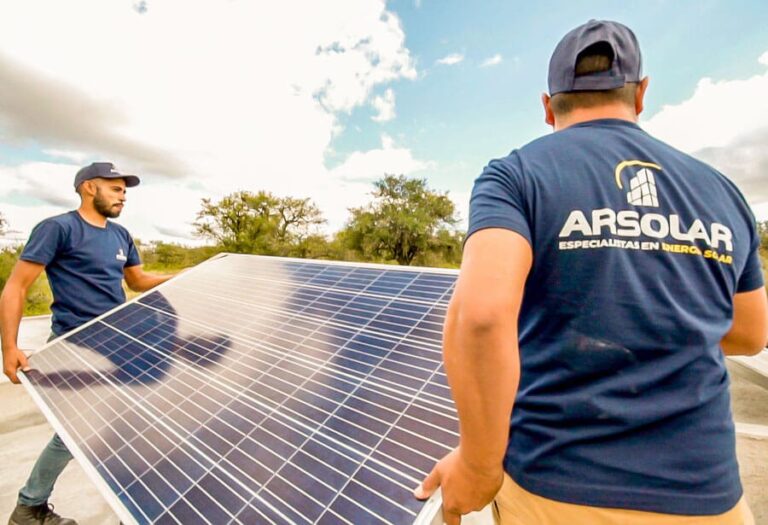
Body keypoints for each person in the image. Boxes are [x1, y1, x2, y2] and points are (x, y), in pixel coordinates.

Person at [415, 19, 767, 525]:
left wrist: (477, 464)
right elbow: (751, 332)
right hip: (710, 498)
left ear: (547, 106)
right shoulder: (721, 191)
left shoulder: (516, 175)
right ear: (641, 94)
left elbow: (483, 314)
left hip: (557, 493)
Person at [1, 162, 174, 525]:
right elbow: (16, 287)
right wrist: (10, 348)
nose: (123, 195)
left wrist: (189, 276)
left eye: (125, 190)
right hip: (74, 342)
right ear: (89, 187)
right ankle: (28, 507)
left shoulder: (121, 235)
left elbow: (138, 281)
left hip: (118, 342)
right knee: (76, 430)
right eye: (115, 188)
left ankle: (34, 505)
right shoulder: (59, 228)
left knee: (123, 418)